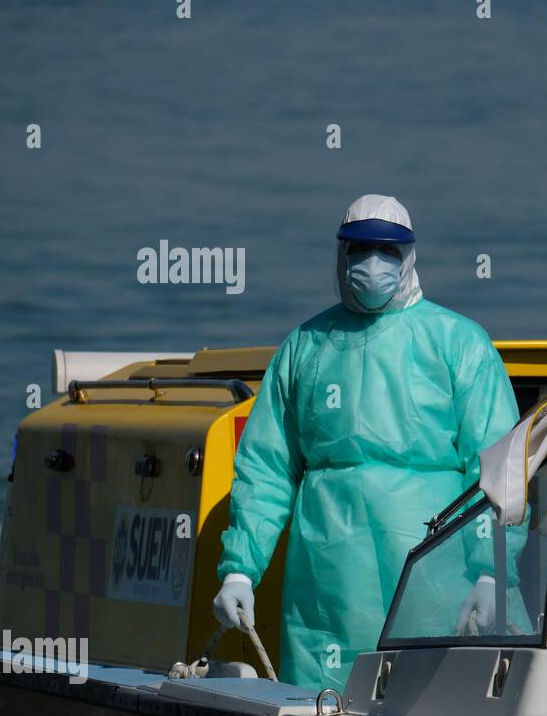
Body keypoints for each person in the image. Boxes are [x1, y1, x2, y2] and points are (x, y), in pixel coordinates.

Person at [212, 194, 518, 690]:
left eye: (388, 251)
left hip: (432, 573)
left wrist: (491, 574)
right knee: (323, 704)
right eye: (359, 250)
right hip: (329, 580)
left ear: (410, 256)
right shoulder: (305, 347)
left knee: (434, 708)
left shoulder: (459, 343)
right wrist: (240, 571)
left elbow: (496, 469)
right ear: (340, 254)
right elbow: (267, 469)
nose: (372, 265)